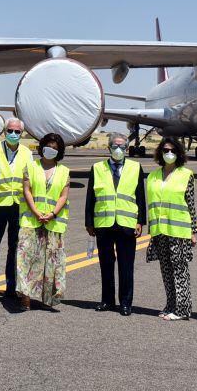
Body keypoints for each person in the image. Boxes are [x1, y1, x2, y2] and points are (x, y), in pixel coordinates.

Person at [85, 132, 146, 316]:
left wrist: (140, 221)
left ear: (127, 149)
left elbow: (140, 197)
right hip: (103, 223)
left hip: (127, 223)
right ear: (109, 148)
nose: (118, 149)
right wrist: (89, 222)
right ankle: (107, 301)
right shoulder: (97, 168)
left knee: (126, 265)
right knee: (106, 264)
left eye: (122, 146)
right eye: (114, 146)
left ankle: (126, 303)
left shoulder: (136, 167)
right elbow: (91, 197)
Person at [15, 133, 70, 310]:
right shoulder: (30, 167)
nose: (51, 150)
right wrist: (36, 211)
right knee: (25, 258)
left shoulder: (64, 171)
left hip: (54, 222)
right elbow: (27, 191)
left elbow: (63, 195)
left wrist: (53, 214)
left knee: (52, 261)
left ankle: (49, 298)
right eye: (48, 146)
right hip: (31, 220)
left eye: (55, 148)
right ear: (41, 147)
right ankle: (25, 295)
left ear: (59, 151)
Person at [145, 137, 197, 321]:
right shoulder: (152, 176)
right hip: (159, 230)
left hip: (179, 230)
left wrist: (193, 231)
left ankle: (183, 310)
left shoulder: (186, 174)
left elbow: (190, 204)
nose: (169, 154)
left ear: (179, 154)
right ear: (160, 152)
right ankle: (170, 305)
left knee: (180, 270)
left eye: (173, 151)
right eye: (166, 150)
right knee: (166, 270)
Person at [0, 117, 34, 300]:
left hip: (18, 207)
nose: (13, 134)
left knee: (14, 248)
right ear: (4, 131)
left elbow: (30, 180)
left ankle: (11, 285)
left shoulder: (26, 153)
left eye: (17, 132)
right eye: (10, 131)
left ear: (21, 134)